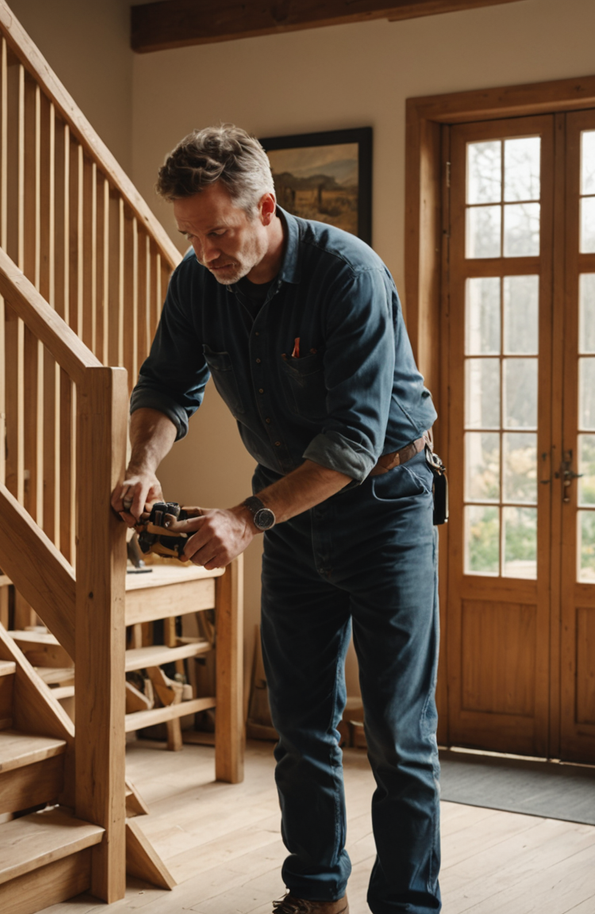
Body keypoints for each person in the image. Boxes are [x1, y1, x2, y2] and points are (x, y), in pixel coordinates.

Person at [110, 125, 442, 914]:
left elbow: (354, 442)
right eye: (190, 235)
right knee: (299, 726)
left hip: (386, 505)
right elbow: (164, 385)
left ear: (265, 206)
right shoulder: (199, 279)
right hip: (288, 511)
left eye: (217, 232)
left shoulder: (348, 274)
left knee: (399, 734)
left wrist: (249, 519)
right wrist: (141, 464)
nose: (204, 252)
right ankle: (317, 893)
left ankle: (407, 906)